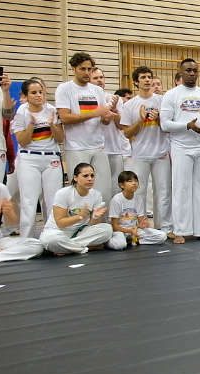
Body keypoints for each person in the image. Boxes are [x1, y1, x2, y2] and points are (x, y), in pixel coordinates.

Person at [161, 59, 200, 244]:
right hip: (181, 146)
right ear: (181, 71)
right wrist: (187, 125)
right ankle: (180, 230)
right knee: (181, 188)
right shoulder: (171, 95)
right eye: (188, 70)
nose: (192, 73)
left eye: (195, 70)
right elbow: (165, 124)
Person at [55, 52, 117, 205]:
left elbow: (104, 121)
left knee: (104, 191)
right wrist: (94, 113)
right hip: (77, 147)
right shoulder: (65, 89)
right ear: (73, 68)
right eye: (83, 69)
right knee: (80, 192)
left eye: (90, 69)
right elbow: (64, 118)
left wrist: (108, 116)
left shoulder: (97, 91)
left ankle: (103, 226)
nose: (87, 73)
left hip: (98, 146)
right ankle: (80, 226)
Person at [120, 66, 174, 237]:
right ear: (136, 82)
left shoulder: (162, 101)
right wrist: (140, 120)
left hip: (161, 153)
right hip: (140, 155)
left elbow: (168, 128)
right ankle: (141, 226)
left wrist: (158, 119)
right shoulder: (129, 105)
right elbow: (127, 133)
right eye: (143, 77)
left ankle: (165, 227)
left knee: (163, 192)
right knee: (139, 192)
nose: (147, 80)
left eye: (149, 77)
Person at [11, 79, 65, 238]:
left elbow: (60, 138)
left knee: (53, 199)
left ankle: (52, 236)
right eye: (33, 93)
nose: (38, 95)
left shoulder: (52, 110)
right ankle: (27, 239)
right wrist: (31, 126)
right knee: (29, 201)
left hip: (51, 158)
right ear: (26, 96)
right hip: (29, 159)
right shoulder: (21, 111)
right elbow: (22, 141)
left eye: (40, 92)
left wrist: (52, 125)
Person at [39, 163, 113, 254]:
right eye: (85, 176)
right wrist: (80, 216)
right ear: (75, 177)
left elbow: (92, 225)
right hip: (58, 232)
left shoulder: (96, 195)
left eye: (92, 175)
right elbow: (60, 223)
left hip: (80, 233)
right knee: (50, 240)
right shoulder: (63, 193)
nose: (90, 179)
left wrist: (95, 218)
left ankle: (68, 248)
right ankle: (85, 248)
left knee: (107, 229)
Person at [89, 68, 132, 195]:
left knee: (116, 184)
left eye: (101, 77)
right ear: (89, 80)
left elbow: (121, 125)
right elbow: (104, 121)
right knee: (98, 184)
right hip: (96, 147)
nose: (99, 80)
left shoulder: (114, 98)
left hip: (114, 148)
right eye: (95, 78)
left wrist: (115, 111)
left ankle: (114, 213)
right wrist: (107, 112)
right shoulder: (88, 99)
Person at [107, 171, 167, 250]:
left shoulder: (139, 198)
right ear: (121, 185)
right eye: (130, 181)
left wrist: (143, 224)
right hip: (120, 231)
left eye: (136, 181)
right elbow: (114, 226)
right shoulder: (116, 200)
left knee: (162, 236)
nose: (134, 183)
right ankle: (109, 241)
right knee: (120, 245)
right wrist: (130, 231)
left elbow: (141, 221)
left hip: (134, 230)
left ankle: (132, 240)